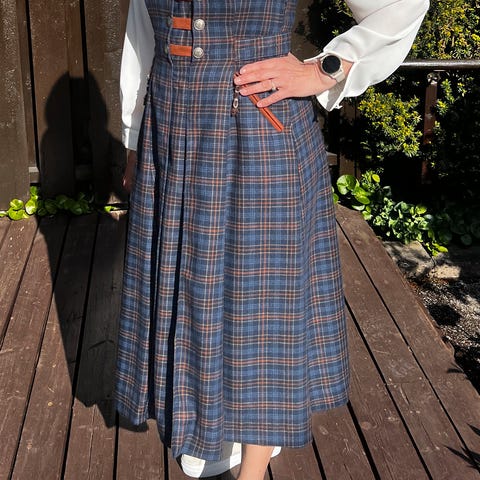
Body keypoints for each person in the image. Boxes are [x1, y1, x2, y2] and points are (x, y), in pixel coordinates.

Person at [115, 1, 429, 478]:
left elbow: (402, 5)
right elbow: (143, 37)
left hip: (259, 131)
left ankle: (253, 468)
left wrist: (325, 69)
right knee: (192, 286)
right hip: (171, 136)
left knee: (262, 305)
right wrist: (135, 139)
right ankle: (208, 421)